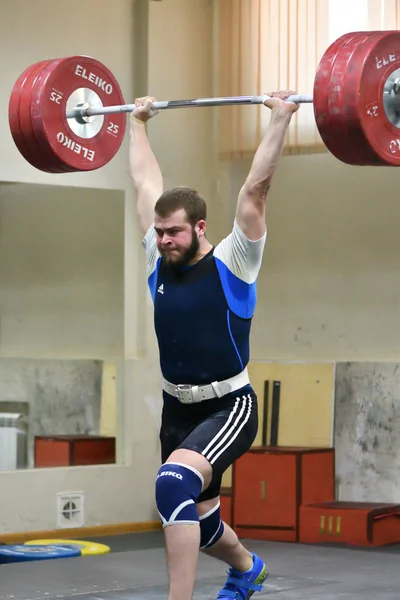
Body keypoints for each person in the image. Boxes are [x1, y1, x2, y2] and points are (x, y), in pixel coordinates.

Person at [129, 91, 299, 600]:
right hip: (176, 408)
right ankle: (248, 568)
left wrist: (280, 119)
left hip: (229, 405)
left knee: (169, 486)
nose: (162, 240)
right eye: (158, 232)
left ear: (200, 227)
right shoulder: (156, 259)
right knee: (199, 525)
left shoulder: (234, 260)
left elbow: (256, 191)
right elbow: (144, 181)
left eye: (173, 232)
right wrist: (138, 123)